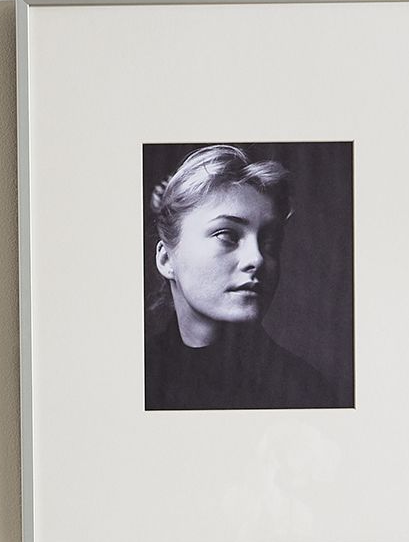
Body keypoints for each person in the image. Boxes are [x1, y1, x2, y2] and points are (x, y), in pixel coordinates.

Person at [142, 145, 342, 411]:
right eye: (227, 235)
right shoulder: (133, 378)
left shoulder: (304, 391)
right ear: (166, 259)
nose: (257, 259)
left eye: (270, 243)